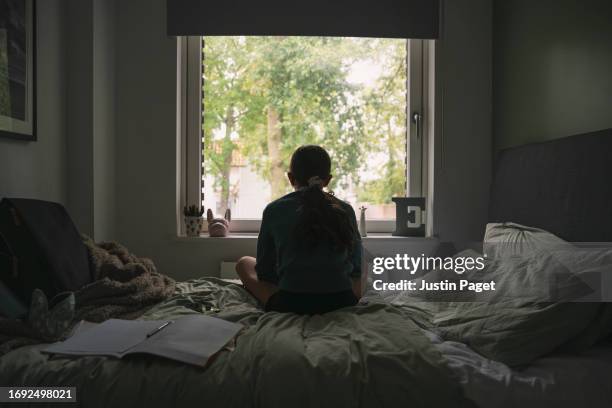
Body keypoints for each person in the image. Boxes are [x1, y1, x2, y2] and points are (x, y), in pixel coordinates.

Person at [236, 145, 363, 315]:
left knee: (244, 263)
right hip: (342, 302)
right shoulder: (345, 210)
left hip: (290, 304)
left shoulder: (274, 210)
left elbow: (265, 271)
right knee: (363, 262)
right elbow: (356, 268)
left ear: (290, 178)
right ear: (328, 179)